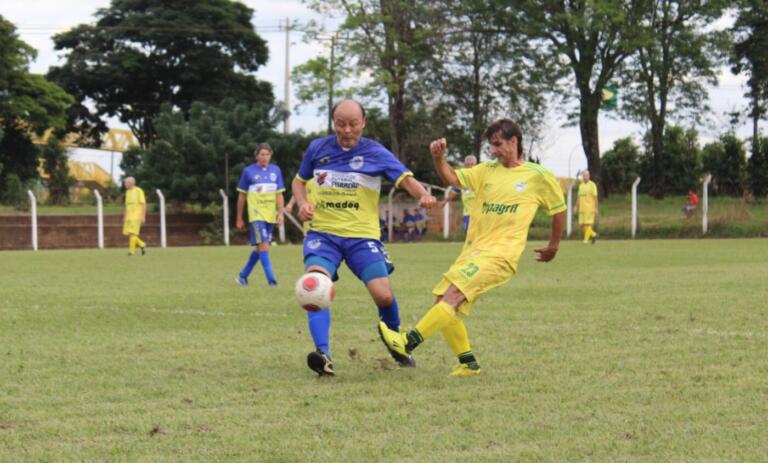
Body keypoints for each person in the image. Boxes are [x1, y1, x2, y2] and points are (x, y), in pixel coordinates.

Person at [378, 119, 566, 376]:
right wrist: (438, 158)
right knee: (441, 302)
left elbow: (558, 210)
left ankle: (407, 342)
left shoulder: (538, 176)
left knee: (452, 296)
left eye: (498, 144)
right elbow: (452, 177)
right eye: (491, 146)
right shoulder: (486, 170)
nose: (494, 151)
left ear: (514, 142)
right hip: (474, 251)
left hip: (502, 255)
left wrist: (553, 246)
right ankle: (468, 363)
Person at [291, 99, 437, 376]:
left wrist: (423, 195)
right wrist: (302, 203)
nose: (347, 130)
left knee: (383, 295)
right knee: (315, 284)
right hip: (324, 234)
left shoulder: (375, 152)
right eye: (340, 124)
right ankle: (323, 355)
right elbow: (299, 181)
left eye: (353, 124)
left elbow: (404, 177)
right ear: (333, 123)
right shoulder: (317, 148)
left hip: (362, 237)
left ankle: (397, 344)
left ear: (364, 122)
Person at [235, 143, 285, 287]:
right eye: (262, 154)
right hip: (256, 215)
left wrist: (280, 213)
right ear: (257, 155)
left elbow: (279, 194)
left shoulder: (276, 170)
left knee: (261, 248)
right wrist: (239, 217)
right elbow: (241, 197)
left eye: (267, 154)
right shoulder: (248, 171)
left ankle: (243, 276)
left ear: (271, 155)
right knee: (263, 246)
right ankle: (272, 280)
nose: (264, 157)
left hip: (270, 215)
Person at [441, 155, 478, 233]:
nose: (470, 166)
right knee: (469, 236)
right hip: (468, 213)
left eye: (472, 164)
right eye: (468, 164)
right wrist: (445, 201)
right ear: (465, 165)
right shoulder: (462, 179)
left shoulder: (480, 177)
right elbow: (454, 191)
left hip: (480, 213)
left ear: (476, 165)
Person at [123, 176, 147, 256]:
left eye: (126, 182)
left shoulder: (138, 191)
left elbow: (143, 204)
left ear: (131, 183)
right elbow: (127, 205)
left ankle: (131, 252)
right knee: (130, 234)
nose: (124, 184)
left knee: (133, 233)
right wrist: (125, 215)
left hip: (136, 215)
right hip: (129, 216)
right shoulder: (127, 192)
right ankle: (142, 244)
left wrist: (143, 216)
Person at [575, 169, 598, 244]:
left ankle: (586, 240)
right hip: (582, 208)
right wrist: (576, 206)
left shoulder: (592, 185)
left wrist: (595, 207)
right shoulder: (581, 185)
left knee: (588, 224)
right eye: (584, 176)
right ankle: (593, 234)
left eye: (586, 175)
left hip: (589, 208)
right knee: (582, 225)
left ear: (589, 176)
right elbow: (579, 197)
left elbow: (595, 198)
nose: (585, 177)